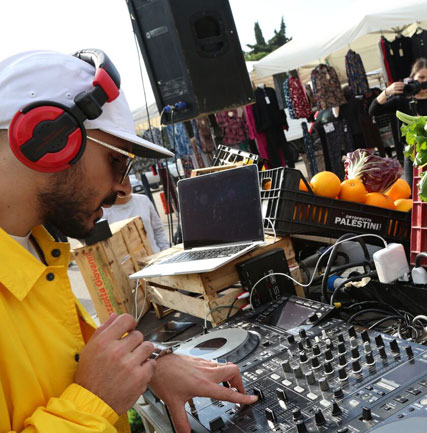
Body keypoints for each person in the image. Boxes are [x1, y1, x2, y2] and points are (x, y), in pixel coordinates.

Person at [0, 50, 257, 433]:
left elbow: (67, 367)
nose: (124, 186)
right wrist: (97, 400)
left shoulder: (35, 249)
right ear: (47, 137)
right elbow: (90, 392)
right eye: (117, 162)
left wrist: (151, 366)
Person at [369, 58, 427, 184]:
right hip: (410, 154)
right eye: (421, 77)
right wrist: (387, 92)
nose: (424, 82)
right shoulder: (401, 101)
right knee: (413, 192)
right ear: (412, 77)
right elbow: (373, 110)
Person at [102, 176, 169, 253]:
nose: (124, 182)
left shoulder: (143, 200)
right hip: (128, 264)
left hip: (156, 258)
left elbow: (158, 230)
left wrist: (165, 252)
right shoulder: (102, 212)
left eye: (126, 177)